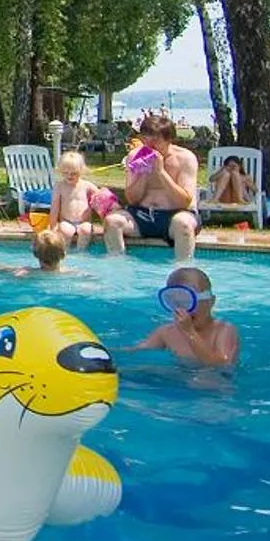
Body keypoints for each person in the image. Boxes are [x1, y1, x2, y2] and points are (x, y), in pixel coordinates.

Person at [117, 113, 199, 261]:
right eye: (146, 141)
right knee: (113, 222)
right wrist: (143, 173)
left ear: (169, 140)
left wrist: (161, 172)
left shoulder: (186, 158)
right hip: (142, 214)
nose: (150, 147)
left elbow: (184, 202)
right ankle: (118, 265)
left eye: (156, 142)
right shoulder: (135, 156)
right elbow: (131, 200)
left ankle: (183, 269)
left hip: (175, 214)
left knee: (183, 224)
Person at [127, 266, 240, 371]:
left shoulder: (223, 330)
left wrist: (189, 332)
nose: (185, 310)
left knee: (206, 381)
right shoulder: (166, 332)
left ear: (211, 301)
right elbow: (135, 353)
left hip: (214, 382)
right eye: (176, 303)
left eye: (189, 302)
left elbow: (223, 365)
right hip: (178, 377)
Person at [48, 152, 116, 250]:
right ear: (60, 171)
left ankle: (81, 253)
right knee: (65, 231)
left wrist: (113, 206)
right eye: (65, 173)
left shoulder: (87, 186)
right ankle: (64, 252)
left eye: (73, 173)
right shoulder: (59, 186)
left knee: (86, 230)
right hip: (66, 221)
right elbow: (54, 207)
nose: (69, 176)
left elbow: (102, 199)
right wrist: (53, 227)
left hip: (84, 222)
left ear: (81, 170)